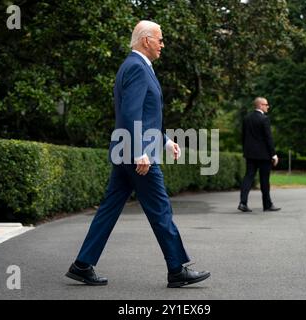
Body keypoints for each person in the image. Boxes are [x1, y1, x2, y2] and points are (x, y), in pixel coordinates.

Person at [65, 20, 210, 288]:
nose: (162, 45)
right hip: (135, 155)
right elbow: (130, 114)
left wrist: (166, 141)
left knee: (109, 209)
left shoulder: (136, 67)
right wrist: (139, 151)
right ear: (146, 41)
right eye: (160, 39)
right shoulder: (136, 67)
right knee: (160, 208)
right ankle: (177, 269)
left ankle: (82, 264)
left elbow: (144, 115)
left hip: (127, 152)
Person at [238, 97, 281, 213]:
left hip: (250, 154)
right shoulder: (264, 119)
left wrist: (246, 151)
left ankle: (243, 203)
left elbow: (243, 137)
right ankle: (267, 205)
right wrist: (274, 155)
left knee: (248, 177)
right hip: (264, 156)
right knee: (264, 180)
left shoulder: (246, 119)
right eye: (266, 104)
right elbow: (268, 138)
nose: (268, 107)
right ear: (260, 105)